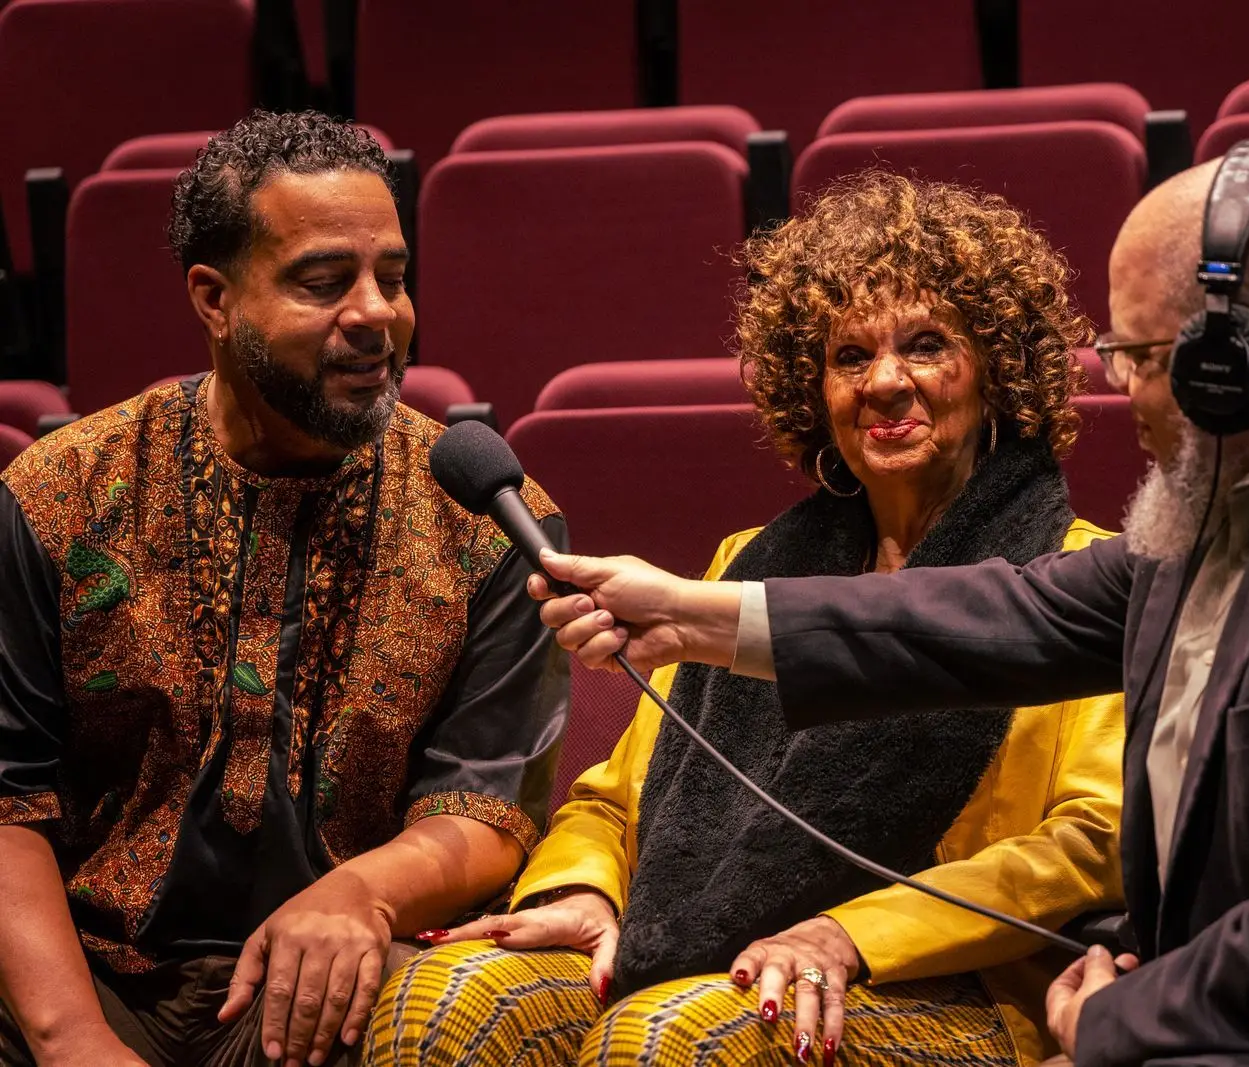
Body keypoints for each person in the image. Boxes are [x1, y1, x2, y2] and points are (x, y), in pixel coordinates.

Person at [531, 146, 1249, 1066]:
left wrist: (1117, 1016)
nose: (1118, 390)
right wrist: (692, 614)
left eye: (1133, 356)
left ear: (1228, 365)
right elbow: (1016, 614)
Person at [363, 172, 1126, 1067]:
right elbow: (616, 802)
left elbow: (1090, 841)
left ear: (996, 368)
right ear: (816, 389)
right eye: (849, 356)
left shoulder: (1076, 574)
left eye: (926, 345)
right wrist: (585, 892)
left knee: (674, 1041)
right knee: (447, 999)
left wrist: (852, 933)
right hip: (692, 946)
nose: (884, 382)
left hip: (949, 979)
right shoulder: (743, 566)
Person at [0, 111, 568, 1067]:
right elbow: (5, 801)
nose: (377, 313)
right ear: (214, 299)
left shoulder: (486, 517)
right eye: (324, 281)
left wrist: (360, 894)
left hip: (329, 983)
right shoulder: (59, 498)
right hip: (78, 970)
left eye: (392, 277)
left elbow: (485, 809)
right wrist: (74, 1039)